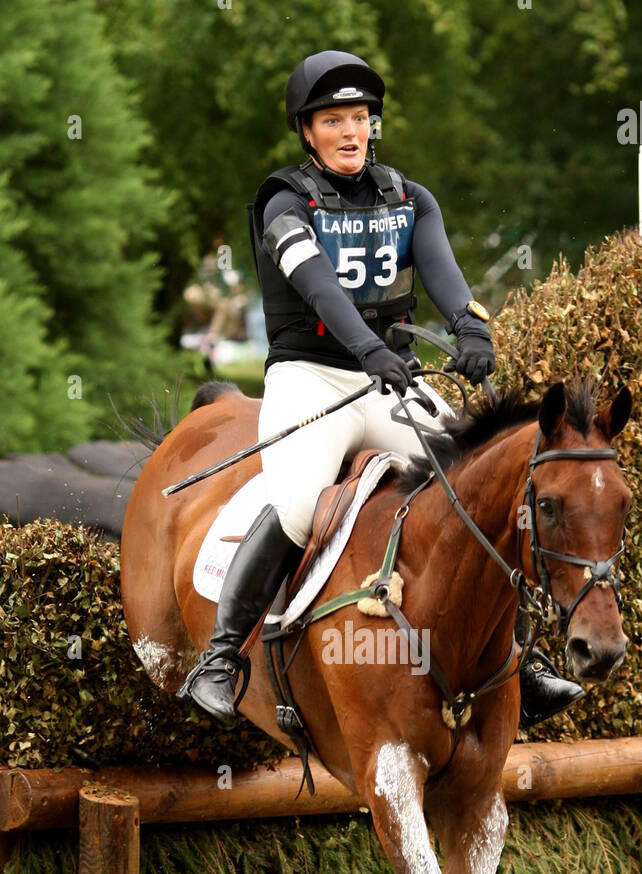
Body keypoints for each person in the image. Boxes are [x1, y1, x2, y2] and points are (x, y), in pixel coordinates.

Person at [178, 50, 583, 727]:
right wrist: (367, 348)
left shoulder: (408, 196)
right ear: (306, 132)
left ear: (374, 126)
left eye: (359, 119)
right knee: (303, 506)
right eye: (332, 120)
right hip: (311, 376)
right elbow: (319, 288)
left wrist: (468, 328)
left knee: (474, 488)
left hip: (389, 375)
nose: (348, 132)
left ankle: (520, 657)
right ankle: (221, 657)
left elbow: (441, 272)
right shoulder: (284, 200)